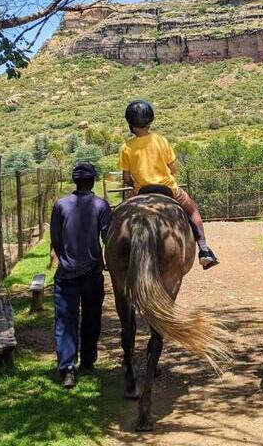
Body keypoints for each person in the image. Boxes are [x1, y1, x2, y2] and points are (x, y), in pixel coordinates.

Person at [119, 100, 219, 269]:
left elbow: (126, 178)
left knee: (120, 215)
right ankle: (204, 250)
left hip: (141, 192)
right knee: (193, 210)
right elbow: (173, 168)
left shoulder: (126, 147)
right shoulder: (161, 140)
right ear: (150, 121)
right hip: (168, 190)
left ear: (130, 123)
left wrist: (135, 183)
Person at [50, 162, 111, 389]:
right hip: (92, 273)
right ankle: (87, 359)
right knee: (92, 318)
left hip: (66, 274)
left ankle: (67, 369)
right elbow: (108, 238)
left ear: (74, 180)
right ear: (93, 180)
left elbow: (56, 239)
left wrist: (66, 258)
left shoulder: (60, 205)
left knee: (65, 321)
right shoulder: (101, 205)